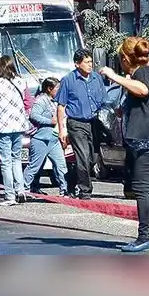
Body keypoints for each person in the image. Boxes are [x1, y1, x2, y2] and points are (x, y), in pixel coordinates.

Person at [100, 36, 149, 253]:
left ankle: (144, 236)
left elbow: (143, 90)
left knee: (142, 187)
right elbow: (141, 98)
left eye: (119, 59)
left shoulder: (144, 72)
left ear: (125, 58)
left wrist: (113, 76)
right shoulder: (142, 74)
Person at [56, 48, 106, 199]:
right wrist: (61, 129)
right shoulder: (68, 80)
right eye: (86, 62)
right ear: (77, 64)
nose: (90, 65)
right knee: (83, 156)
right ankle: (85, 191)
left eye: (91, 62)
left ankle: (71, 181)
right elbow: (60, 106)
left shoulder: (96, 78)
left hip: (94, 122)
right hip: (76, 123)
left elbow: (104, 100)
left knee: (92, 158)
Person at [0, 55, 34, 205]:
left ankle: (9, 196)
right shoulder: (22, 82)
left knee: (5, 162)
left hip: (2, 127)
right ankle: (21, 190)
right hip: (18, 126)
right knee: (16, 159)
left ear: (0, 68)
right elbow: (28, 103)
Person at [25, 77, 69, 196]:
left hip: (54, 139)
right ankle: (22, 188)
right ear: (49, 89)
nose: (60, 91)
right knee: (34, 166)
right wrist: (50, 121)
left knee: (61, 165)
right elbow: (33, 115)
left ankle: (64, 189)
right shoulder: (41, 100)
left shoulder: (56, 101)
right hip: (41, 139)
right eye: (57, 88)